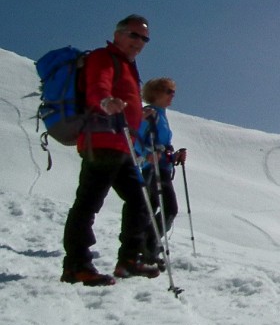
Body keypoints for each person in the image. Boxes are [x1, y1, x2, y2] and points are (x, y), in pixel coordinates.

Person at [60, 15, 159, 286]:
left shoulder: (128, 66)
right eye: (134, 35)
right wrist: (105, 101)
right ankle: (76, 265)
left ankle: (128, 260)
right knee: (89, 203)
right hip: (102, 142)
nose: (139, 42)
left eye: (144, 38)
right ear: (119, 34)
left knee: (140, 200)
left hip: (121, 145)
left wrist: (142, 111)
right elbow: (97, 85)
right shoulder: (104, 57)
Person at [135, 77, 187, 269]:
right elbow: (136, 138)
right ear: (155, 93)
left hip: (162, 167)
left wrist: (174, 156)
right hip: (153, 169)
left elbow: (160, 144)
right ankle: (148, 243)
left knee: (158, 207)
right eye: (167, 91)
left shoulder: (161, 115)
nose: (172, 95)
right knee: (169, 208)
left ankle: (148, 246)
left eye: (172, 91)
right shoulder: (150, 113)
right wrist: (147, 155)